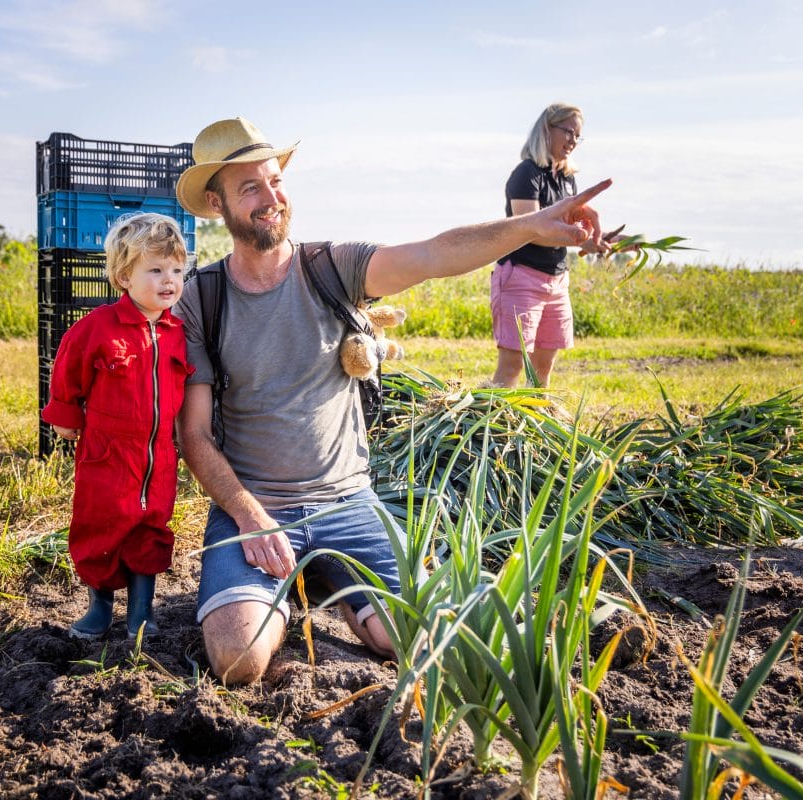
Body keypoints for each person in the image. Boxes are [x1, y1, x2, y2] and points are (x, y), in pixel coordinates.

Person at [173, 117, 609, 684]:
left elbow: (432, 255)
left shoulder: (331, 267)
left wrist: (531, 224)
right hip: (257, 509)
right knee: (237, 659)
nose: (270, 199)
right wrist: (248, 515)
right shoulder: (201, 300)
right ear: (217, 202)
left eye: (275, 181)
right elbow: (195, 436)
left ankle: (340, 589)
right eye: (249, 188)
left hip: (348, 503)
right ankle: (290, 590)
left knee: (411, 638)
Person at [41, 213, 192, 638]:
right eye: (156, 270)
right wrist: (66, 418)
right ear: (124, 277)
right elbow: (68, 374)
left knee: (152, 525)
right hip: (107, 453)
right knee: (102, 525)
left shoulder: (177, 333)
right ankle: (100, 608)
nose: (170, 280)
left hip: (158, 454)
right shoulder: (97, 329)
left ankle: (142, 611)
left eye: (177, 270)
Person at [488, 103, 619, 388]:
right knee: (511, 366)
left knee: (543, 370)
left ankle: (538, 428)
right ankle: (494, 431)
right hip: (521, 277)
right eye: (568, 132)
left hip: (557, 281)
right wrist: (579, 238)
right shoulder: (527, 174)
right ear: (547, 129)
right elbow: (528, 230)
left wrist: (601, 239)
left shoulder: (567, 179)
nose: (573, 140)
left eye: (577, 135)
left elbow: (570, 230)